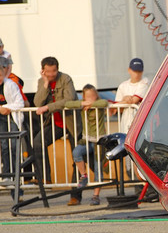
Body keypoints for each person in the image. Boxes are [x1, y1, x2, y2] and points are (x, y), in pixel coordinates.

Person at [33, 57, 81, 190]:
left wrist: (48, 107)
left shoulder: (66, 79)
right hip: (56, 122)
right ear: (43, 71)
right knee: (38, 142)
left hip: (71, 122)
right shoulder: (42, 81)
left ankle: (75, 194)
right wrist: (45, 84)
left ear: (57, 69)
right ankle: (45, 178)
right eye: (48, 71)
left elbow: (69, 99)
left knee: (77, 155)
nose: (51, 74)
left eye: (54, 71)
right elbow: (37, 103)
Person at [65, 84, 108, 206]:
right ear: (83, 97)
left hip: (98, 141)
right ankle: (84, 175)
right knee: (76, 152)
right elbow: (68, 104)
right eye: (87, 96)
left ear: (96, 96)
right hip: (86, 140)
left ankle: (96, 196)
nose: (90, 98)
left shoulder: (98, 104)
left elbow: (104, 103)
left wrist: (91, 104)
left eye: (93, 96)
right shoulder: (82, 104)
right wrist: (82, 104)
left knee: (98, 166)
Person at [113, 58, 149, 176]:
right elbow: (115, 109)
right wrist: (124, 100)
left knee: (141, 151)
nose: (137, 74)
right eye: (135, 71)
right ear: (129, 70)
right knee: (127, 151)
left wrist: (125, 101)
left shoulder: (145, 81)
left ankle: (141, 178)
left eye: (139, 71)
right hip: (126, 122)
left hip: (141, 124)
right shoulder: (123, 86)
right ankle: (133, 179)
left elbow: (134, 100)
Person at [0, 56, 24, 200]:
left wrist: (6, 107)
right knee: (4, 147)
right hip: (1, 119)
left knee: (15, 148)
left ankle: (17, 189)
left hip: (11, 118)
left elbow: (19, 103)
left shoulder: (10, 84)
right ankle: (7, 176)